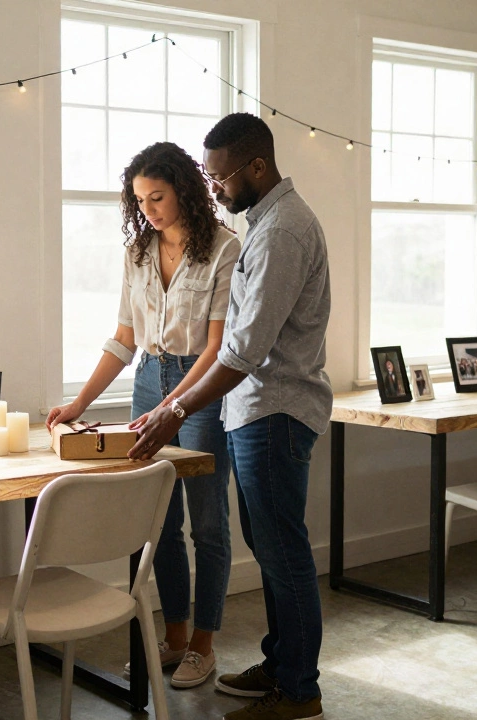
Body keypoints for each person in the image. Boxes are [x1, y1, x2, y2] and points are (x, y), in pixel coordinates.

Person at [130, 113, 330, 720]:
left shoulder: (280, 234)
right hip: (256, 413)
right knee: (270, 549)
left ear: (257, 167)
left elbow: (242, 350)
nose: (213, 188)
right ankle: (280, 663)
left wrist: (177, 406)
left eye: (219, 177)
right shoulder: (267, 223)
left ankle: (299, 691)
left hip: (275, 412)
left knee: (283, 553)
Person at [47, 141, 239, 690]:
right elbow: (124, 339)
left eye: (157, 196)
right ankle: (174, 637)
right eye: (140, 200)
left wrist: (171, 407)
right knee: (159, 523)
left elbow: (217, 347)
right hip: (147, 380)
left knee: (208, 525)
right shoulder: (136, 254)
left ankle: (203, 645)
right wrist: (79, 404)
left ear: (184, 190)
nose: (149, 208)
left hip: (200, 389)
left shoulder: (224, 249)